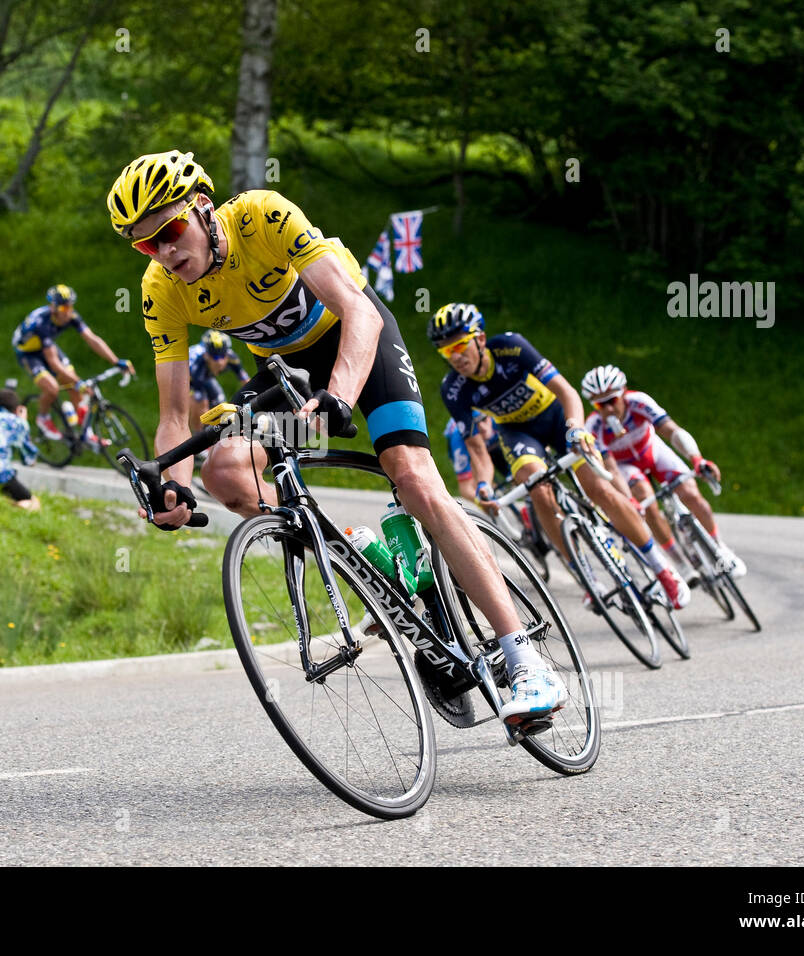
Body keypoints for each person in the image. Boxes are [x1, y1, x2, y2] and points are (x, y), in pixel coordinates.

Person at [106, 148, 567, 729]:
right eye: (148, 245)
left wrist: (340, 398)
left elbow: (358, 310)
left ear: (201, 208)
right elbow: (174, 416)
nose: (166, 253)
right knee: (223, 471)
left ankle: (524, 659)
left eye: (170, 232)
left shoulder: (260, 215)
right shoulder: (162, 289)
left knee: (414, 478)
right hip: (286, 371)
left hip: (355, 340)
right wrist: (173, 490)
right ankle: (364, 558)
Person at [429, 302, 692, 611]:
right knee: (536, 487)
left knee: (600, 490)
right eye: (447, 352)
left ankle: (662, 569)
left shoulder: (511, 347)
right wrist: (484, 485)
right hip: (518, 434)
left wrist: (577, 430)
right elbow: (476, 449)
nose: (456, 356)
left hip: (556, 419)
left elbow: (567, 393)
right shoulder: (453, 390)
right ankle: (587, 579)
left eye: (460, 345)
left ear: (481, 339)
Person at [580, 364, 745, 576]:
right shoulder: (593, 426)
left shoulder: (638, 401)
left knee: (692, 494)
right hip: (625, 465)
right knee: (647, 503)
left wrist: (696, 459)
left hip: (652, 451)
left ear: (623, 393)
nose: (608, 409)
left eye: (612, 400)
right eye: (600, 405)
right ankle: (680, 563)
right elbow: (610, 466)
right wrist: (628, 501)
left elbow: (670, 429)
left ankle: (720, 548)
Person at [12, 283, 135, 445]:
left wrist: (115, 361)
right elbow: (54, 363)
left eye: (70, 306)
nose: (68, 311)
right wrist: (79, 382)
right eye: (63, 308)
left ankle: (85, 432)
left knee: (72, 383)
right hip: (28, 353)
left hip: (46, 347)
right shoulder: (42, 323)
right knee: (52, 388)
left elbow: (92, 339)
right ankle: (43, 418)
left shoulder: (70, 316)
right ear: (53, 308)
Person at [187, 329, 250, 437]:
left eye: (222, 356)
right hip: (189, 378)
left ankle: (219, 435)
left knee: (220, 404)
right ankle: (197, 438)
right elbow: (200, 401)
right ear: (206, 355)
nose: (219, 362)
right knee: (202, 405)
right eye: (215, 357)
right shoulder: (198, 365)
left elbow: (246, 381)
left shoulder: (232, 357)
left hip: (206, 376)